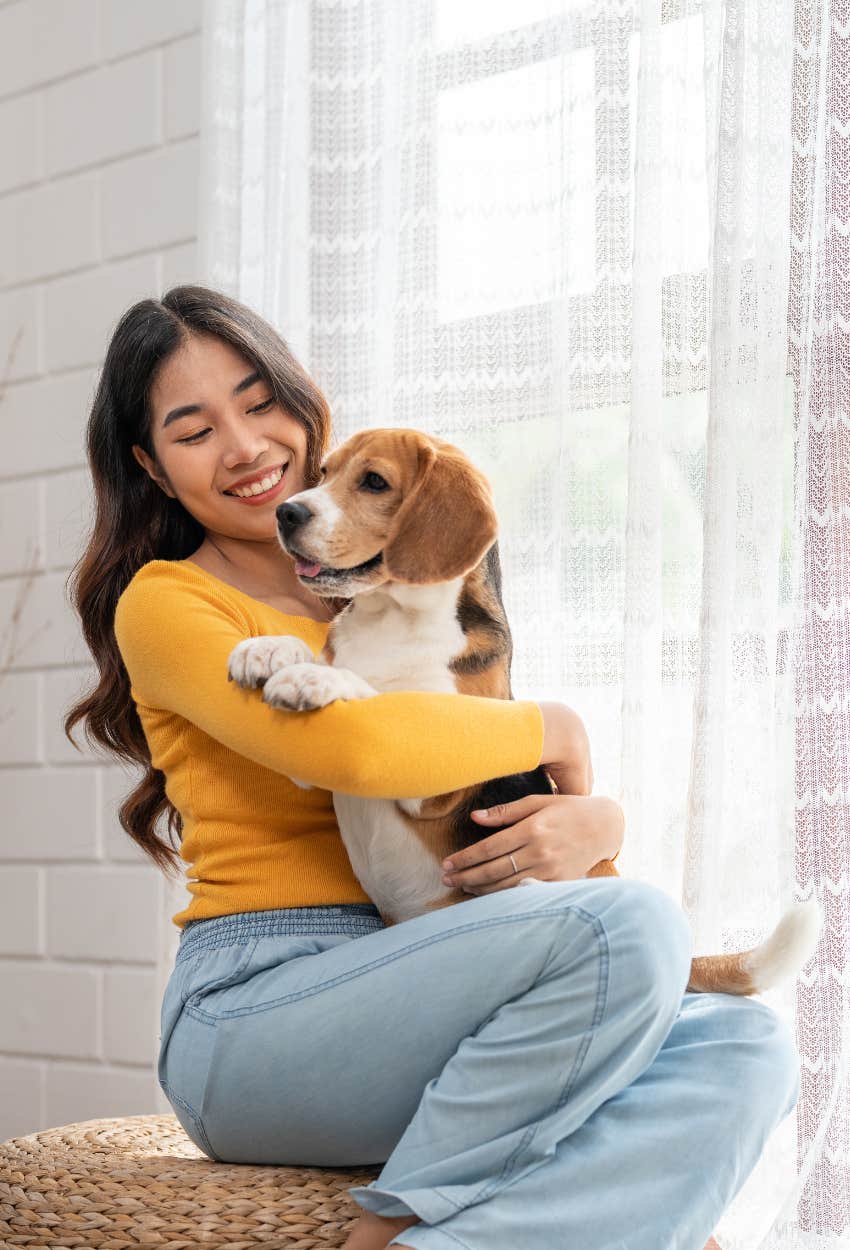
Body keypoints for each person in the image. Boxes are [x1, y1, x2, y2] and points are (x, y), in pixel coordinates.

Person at [64, 285, 800, 1250]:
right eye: (194, 430)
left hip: (430, 975)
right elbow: (358, 750)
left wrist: (596, 821)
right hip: (257, 1013)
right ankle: (398, 1221)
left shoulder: (385, 591)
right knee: (636, 928)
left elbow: (483, 780)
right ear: (151, 469)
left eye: (257, 402)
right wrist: (558, 729)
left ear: (300, 403)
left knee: (743, 1046)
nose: (243, 447)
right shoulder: (168, 603)